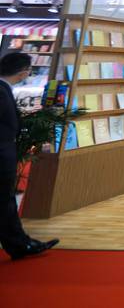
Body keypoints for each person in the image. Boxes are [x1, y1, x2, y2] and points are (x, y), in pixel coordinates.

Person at [0, 51, 58, 260]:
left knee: (5, 202)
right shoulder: (2, 91)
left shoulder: (4, 89)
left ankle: (20, 244)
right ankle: (20, 244)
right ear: (23, 72)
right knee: (5, 202)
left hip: (5, 153)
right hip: (2, 155)